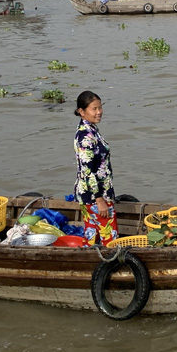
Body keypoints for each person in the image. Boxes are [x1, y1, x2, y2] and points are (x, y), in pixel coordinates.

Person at [73, 90, 116, 245]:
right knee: (110, 240)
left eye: (100, 107)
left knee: (92, 238)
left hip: (91, 195)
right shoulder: (86, 137)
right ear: (81, 112)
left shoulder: (91, 130)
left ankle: (89, 265)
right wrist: (99, 200)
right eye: (94, 109)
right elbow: (87, 172)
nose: (99, 112)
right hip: (95, 196)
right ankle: (109, 267)